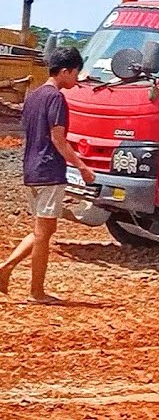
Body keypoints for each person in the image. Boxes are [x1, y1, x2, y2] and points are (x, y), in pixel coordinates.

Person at [0, 47, 95, 304]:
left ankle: (6, 269)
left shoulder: (33, 96)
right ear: (65, 71)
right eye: (75, 73)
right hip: (49, 172)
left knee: (44, 229)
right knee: (43, 234)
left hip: (31, 169)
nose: (77, 79)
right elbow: (58, 139)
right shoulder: (56, 99)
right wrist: (83, 167)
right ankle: (36, 292)